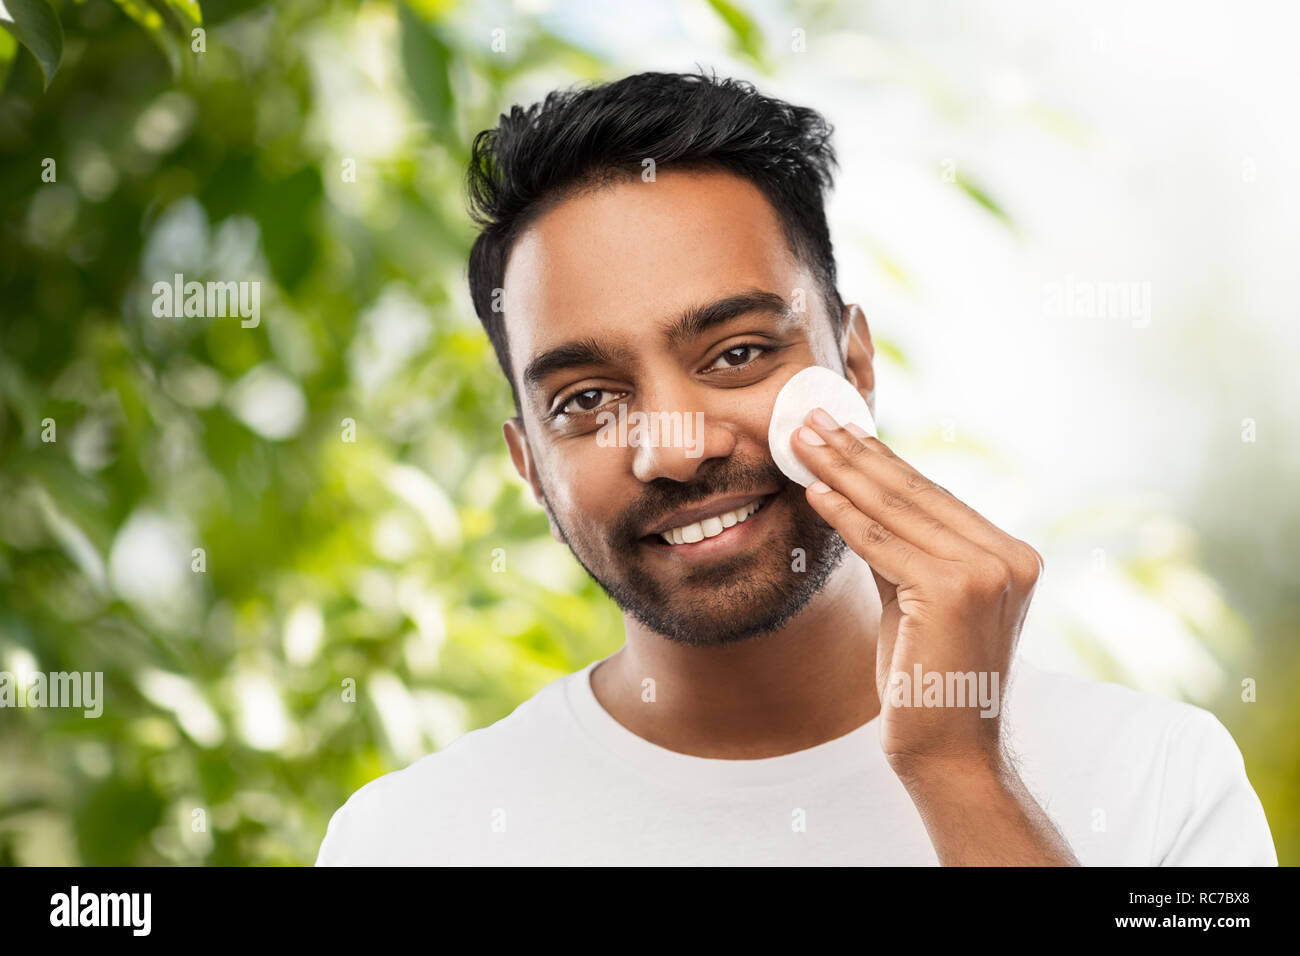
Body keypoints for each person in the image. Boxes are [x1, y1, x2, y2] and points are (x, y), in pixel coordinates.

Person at [317, 71, 1276, 866]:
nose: (674, 446)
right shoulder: (404, 842)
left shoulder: (1162, 783)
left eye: (736, 354)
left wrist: (959, 769)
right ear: (530, 463)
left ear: (853, 365)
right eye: (587, 401)